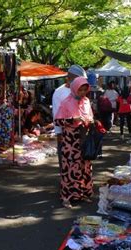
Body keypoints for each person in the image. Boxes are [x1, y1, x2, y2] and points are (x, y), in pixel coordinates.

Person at [54, 77, 94, 208]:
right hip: (70, 142)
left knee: (85, 167)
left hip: (84, 138)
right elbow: (58, 121)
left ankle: (84, 194)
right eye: (80, 89)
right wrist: (72, 119)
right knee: (70, 168)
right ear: (74, 88)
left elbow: (91, 117)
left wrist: (90, 121)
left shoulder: (87, 101)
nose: (82, 92)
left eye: (84, 90)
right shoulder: (66, 102)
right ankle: (67, 197)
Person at [52, 65, 86, 170]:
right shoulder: (59, 92)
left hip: (80, 133)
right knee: (66, 162)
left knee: (79, 162)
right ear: (70, 78)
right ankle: (65, 182)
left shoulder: (79, 91)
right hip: (65, 134)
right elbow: (56, 115)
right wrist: (58, 133)